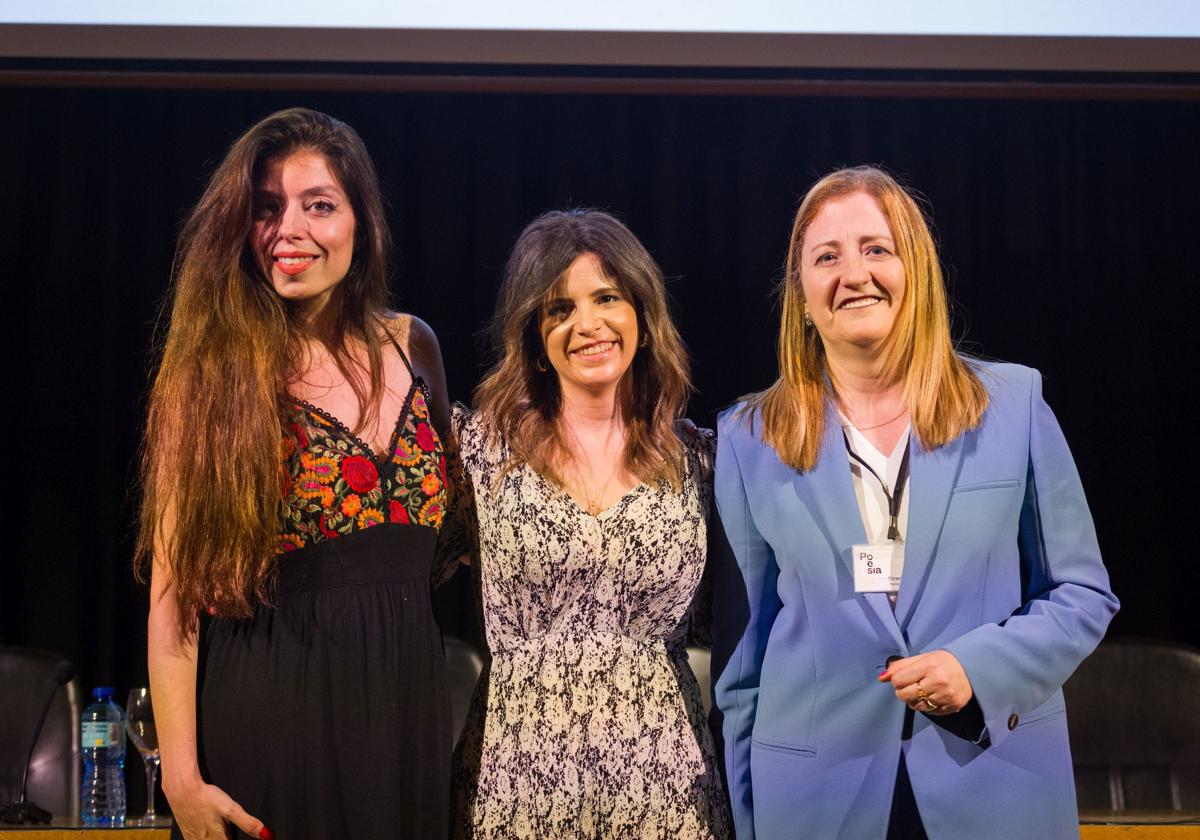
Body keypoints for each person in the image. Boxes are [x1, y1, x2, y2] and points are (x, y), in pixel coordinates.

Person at [711, 166, 1118, 840]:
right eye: (827, 257)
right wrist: (749, 817)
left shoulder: (1012, 407)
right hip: (815, 801)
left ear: (915, 269)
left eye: (876, 249)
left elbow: (1081, 593)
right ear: (802, 292)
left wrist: (977, 669)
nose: (854, 273)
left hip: (994, 783)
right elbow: (740, 669)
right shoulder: (748, 438)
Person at [138, 108, 455, 840]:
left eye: (320, 205)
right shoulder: (212, 377)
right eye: (267, 209)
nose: (291, 231)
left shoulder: (415, 348)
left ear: (361, 222)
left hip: (407, 702)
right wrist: (182, 778)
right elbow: (173, 595)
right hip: (276, 705)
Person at [445, 210, 730, 838]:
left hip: (666, 785)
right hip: (513, 782)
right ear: (534, 334)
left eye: (607, 298)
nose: (588, 324)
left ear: (642, 316)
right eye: (559, 309)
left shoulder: (704, 461)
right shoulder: (479, 454)